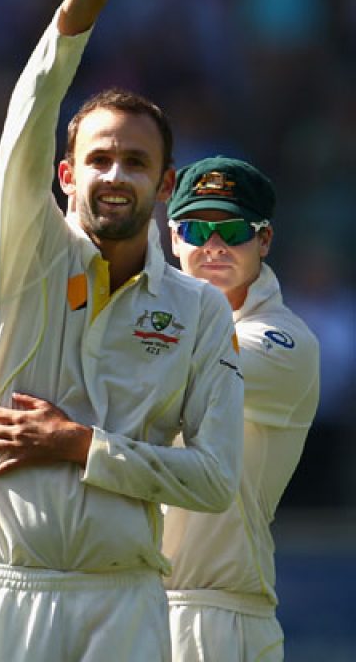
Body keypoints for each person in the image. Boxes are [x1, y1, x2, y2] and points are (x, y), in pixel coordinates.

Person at [0, 0, 244, 662]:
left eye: (136, 163)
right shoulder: (28, 254)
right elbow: (27, 120)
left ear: (165, 183)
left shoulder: (200, 309)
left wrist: (82, 445)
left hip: (127, 602)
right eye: (99, 159)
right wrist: (83, 2)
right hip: (5, 593)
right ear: (64, 175)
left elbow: (213, 481)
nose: (115, 176)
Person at [162, 156, 319, 662]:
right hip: (126, 601)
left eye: (232, 230)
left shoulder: (286, 340)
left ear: (264, 240)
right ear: (172, 238)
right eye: (196, 228)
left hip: (217, 617)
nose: (213, 245)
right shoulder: (150, 320)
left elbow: (168, 365)